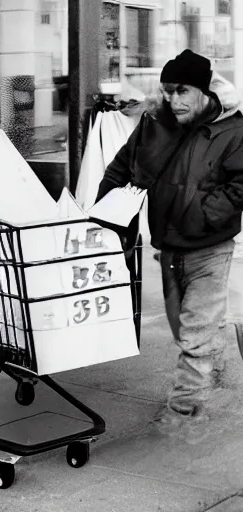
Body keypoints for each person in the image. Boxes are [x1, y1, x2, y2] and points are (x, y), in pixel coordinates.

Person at [95, 49, 243, 438]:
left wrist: (204, 212)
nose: (174, 100)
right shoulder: (153, 124)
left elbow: (240, 185)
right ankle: (221, 348)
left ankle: (183, 414)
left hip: (211, 248)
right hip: (169, 247)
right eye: (167, 91)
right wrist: (102, 217)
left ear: (203, 91)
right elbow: (121, 168)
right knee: (184, 329)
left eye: (182, 91)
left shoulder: (232, 129)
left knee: (194, 334)